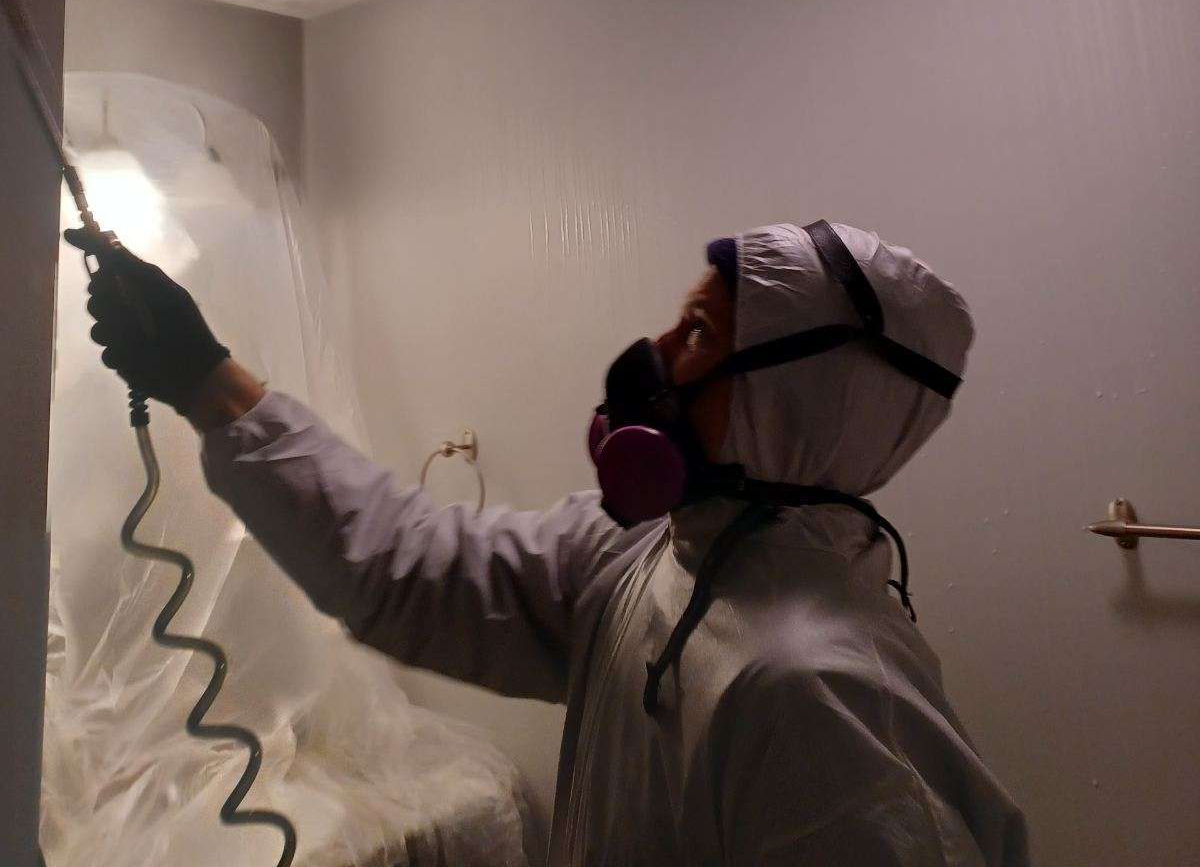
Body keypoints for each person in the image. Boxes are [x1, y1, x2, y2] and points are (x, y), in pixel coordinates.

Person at [68, 218, 1030, 866]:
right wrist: (207, 378)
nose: (653, 355)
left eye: (696, 332)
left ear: (798, 399)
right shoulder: (653, 554)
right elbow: (416, 570)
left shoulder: (819, 688)